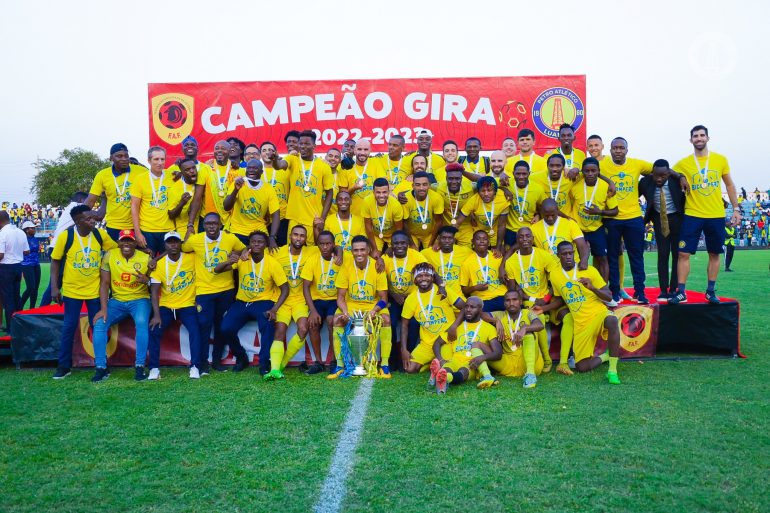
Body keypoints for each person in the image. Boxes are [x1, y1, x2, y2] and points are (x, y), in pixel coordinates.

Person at [670, 125, 741, 304]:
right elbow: (669, 171)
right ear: (691, 140)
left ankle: (710, 291)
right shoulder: (684, 163)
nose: (699, 138)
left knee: (714, 253)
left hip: (716, 214)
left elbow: (730, 185)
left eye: (702, 135)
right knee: (683, 253)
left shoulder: (720, 160)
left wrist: (736, 209)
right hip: (692, 214)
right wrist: (680, 177)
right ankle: (681, 292)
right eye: (696, 136)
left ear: (708, 138)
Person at [50, 205, 116, 379]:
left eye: (93, 217)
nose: (93, 220)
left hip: (95, 291)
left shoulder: (99, 234)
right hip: (72, 291)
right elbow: (55, 262)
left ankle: (102, 366)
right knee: (69, 328)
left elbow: (115, 250)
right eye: (88, 219)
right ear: (78, 221)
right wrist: (55, 287)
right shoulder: (67, 236)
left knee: (98, 328)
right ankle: (64, 366)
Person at [547, 241, 622, 384]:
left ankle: (613, 370)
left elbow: (609, 296)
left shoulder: (589, 270)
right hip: (581, 324)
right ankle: (605, 357)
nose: (568, 256)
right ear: (558, 256)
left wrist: (592, 288)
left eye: (570, 253)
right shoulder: (555, 275)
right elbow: (559, 298)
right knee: (582, 367)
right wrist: (543, 308)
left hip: (597, 314)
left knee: (612, 321)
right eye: (564, 254)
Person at [217, 231, 289, 377]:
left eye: (260, 242)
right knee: (225, 328)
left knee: (267, 324)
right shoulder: (243, 259)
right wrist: (229, 261)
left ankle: (264, 363)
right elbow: (217, 270)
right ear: (249, 244)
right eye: (253, 241)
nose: (256, 244)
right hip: (242, 302)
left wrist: (274, 309)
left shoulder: (272, 263)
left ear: (266, 245)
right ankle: (241, 357)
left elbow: (285, 289)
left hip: (263, 301)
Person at [182, 212, 246, 372]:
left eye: (214, 223)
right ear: (204, 226)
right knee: (204, 326)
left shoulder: (229, 238)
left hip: (226, 290)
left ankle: (217, 360)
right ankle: (203, 363)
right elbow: (183, 247)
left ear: (220, 225)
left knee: (221, 327)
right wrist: (189, 229)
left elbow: (244, 249)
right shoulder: (196, 240)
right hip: (204, 291)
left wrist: (236, 255)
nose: (211, 226)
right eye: (208, 223)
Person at [598, 137, 655, 304]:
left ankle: (640, 291)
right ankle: (615, 291)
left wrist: (679, 176)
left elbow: (659, 168)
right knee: (613, 257)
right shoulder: (603, 164)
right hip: (612, 218)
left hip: (634, 218)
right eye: (614, 148)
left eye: (621, 148)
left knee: (636, 256)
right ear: (609, 151)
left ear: (626, 150)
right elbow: (587, 170)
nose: (618, 150)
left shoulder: (637, 164)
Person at [91, 230, 151, 382]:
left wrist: (147, 279)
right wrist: (104, 308)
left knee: (142, 323)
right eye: (123, 240)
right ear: (118, 242)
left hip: (140, 299)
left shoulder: (145, 258)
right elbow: (104, 284)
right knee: (99, 323)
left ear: (135, 243)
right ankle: (101, 367)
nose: (126, 243)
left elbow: (155, 283)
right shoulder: (109, 255)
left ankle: (139, 366)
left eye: (130, 240)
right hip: (117, 301)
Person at [330, 235, 392, 378]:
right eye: (356, 250)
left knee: (386, 320)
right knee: (337, 320)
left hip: (372, 305)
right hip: (352, 306)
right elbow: (340, 297)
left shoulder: (377, 266)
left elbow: (384, 298)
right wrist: (345, 312)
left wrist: (374, 310)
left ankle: (384, 365)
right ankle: (340, 366)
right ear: (351, 251)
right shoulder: (346, 266)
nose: (359, 253)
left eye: (362, 250)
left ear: (369, 250)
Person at [502, 226, 557, 373]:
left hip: (545, 299)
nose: (525, 239)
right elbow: (513, 290)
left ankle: (545, 359)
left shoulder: (544, 255)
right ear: (517, 240)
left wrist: (545, 298)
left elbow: (556, 283)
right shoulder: (511, 262)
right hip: (526, 301)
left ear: (533, 239)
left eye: (528, 236)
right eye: (521, 237)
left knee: (538, 316)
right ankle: (545, 359)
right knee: (535, 317)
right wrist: (525, 299)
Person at [148, 231, 202, 380]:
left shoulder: (192, 258)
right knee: (154, 329)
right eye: (170, 242)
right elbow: (154, 292)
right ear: (165, 245)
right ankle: (154, 368)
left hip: (187, 304)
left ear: (180, 244)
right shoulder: (159, 265)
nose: (173, 245)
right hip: (167, 305)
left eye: (176, 242)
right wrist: (156, 315)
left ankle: (195, 366)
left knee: (195, 330)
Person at [400, 262, 465, 373]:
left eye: (427, 275)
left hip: (446, 340)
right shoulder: (411, 299)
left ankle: (435, 362)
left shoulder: (443, 291)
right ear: (415, 280)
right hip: (426, 344)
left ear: (432, 277)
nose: (423, 278)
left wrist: (454, 326)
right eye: (420, 276)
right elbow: (404, 325)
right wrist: (404, 349)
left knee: (448, 366)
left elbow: (465, 307)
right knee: (409, 368)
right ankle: (432, 363)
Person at [430, 296, 501, 392]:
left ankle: (445, 378)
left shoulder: (489, 328)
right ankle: (442, 375)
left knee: (463, 371)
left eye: (472, 307)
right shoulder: (455, 328)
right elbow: (437, 343)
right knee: (446, 368)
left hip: (472, 363)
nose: (468, 310)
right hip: (455, 359)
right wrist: (440, 359)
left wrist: (482, 357)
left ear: (480, 309)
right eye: (466, 306)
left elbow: (498, 353)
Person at [639, 160, 686, 300]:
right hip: (659, 220)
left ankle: (673, 289)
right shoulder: (645, 182)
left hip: (677, 219)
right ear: (652, 173)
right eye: (656, 175)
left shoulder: (676, 181)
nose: (659, 179)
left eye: (663, 176)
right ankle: (663, 290)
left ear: (669, 173)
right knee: (663, 255)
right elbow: (632, 197)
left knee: (677, 255)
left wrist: (680, 176)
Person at [302, 230, 345, 374]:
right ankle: (319, 362)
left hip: (335, 299)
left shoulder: (341, 259)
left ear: (333, 244)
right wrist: (312, 310)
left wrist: (341, 252)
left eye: (328, 244)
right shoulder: (312, 260)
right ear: (318, 245)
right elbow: (305, 286)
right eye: (321, 244)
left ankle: (334, 360)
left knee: (332, 320)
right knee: (312, 323)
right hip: (318, 300)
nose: (325, 247)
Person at [568, 157, 618, 281]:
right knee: (575, 259)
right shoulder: (575, 186)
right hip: (578, 229)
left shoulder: (606, 187)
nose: (590, 174)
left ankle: (603, 289)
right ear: (582, 172)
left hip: (596, 228)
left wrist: (599, 212)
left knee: (602, 259)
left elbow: (615, 211)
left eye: (593, 171)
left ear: (598, 171)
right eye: (587, 171)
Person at [86, 143, 148, 242]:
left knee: (139, 255)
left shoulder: (141, 171)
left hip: (138, 226)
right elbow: (89, 202)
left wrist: (178, 172)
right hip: (114, 226)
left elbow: (158, 176)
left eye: (126, 156)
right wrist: (79, 219)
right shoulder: (102, 175)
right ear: (111, 158)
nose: (124, 159)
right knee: (115, 255)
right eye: (119, 156)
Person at [273, 225, 314, 374]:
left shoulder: (311, 251)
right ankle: (274, 369)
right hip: (282, 300)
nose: (298, 238)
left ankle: (281, 365)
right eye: (296, 235)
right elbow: (257, 251)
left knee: (303, 329)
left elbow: (333, 247)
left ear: (306, 238)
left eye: (302, 236)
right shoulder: (277, 252)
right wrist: (245, 252)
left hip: (300, 300)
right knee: (279, 332)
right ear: (290, 235)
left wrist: (339, 253)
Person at [383, 231, 427, 368]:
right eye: (396, 243)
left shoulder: (417, 256)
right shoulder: (385, 258)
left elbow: (429, 273)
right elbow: (380, 281)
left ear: (408, 244)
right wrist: (393, 294)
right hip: (393, 299)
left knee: (414, 324)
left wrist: (442, 286)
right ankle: (392, 358)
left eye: (403, 243)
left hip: (412, 299)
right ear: (391, 245)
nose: (399, 246)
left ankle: (408, 357)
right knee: (390, 322)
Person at [285, 130, 334, 245]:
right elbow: (280, 165)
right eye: (300, 143)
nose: (303, 146)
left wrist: (322, 218)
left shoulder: (323, 167)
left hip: (313, 219)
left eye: (307, 144)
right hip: (294, 218)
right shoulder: (292, 159)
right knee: (292, 250)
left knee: (312, 252)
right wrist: (274, 160)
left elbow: (330, 193)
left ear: (314, 146)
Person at [40, 192, 88, 306]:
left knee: (62, 281)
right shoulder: (77, 207)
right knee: (55, 283)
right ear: (81, 200)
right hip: (59, 247)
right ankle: (42, 310)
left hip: (58, 246)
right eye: (87, 200)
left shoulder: (70, 208)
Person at [489, 289, 545, 388]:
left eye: (515, 299)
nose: (511, 303)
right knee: (480, 348)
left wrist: (525, 328)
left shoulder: (528, 312)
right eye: (508, 300)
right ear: (504, 303)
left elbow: (539, 325)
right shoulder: (500, 314)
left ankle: (530, 375)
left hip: (529, 362)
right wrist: (496, 321)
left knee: (528, 334)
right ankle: (485, 375)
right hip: (508, 363)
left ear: (520, 301)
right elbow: (481, 314)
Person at [222, 159, 281, 246]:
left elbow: (275, 214)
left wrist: (272, 237)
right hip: (238, 230)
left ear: (261, 172)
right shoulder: (237, 183)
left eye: (255, 168)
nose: (251, 170)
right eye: (249, 168)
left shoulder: (268, 189)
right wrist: (236, 190)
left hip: (259, 232)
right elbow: (226, 207)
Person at [130, 146, 175, 255]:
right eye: (156, 159)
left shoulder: (172, 176)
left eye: (162, 159)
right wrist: (137, 232)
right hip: (147, 230)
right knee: (148, 264)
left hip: (168, 229)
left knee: (166, 263)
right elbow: (134, 207)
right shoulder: (140, 179)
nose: (160, 162)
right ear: (149, 161)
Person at [165, 135, 212, 235]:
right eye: (186, 145)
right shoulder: (173, 168)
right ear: (182, 148)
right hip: (182, 219)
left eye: (192, 144)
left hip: (203, 214)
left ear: (197, 148)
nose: (189, 146)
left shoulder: (206, 168)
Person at [456, 176, 509, 253]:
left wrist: (498, 247)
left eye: (489, 190)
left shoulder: (503, 199)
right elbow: (458, 222)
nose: (486, 194)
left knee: (499, 254)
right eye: (482, 191)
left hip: (496, 234)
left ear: (495, 191)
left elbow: (502, 226)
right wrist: (442, 238)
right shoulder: (473, 200)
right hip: (479, 234)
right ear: (478, 192)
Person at [531, 198, 589, 266]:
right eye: (546, 216)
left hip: (570, 268)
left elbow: (581, 245)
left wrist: (584, 261)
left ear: (557, 211)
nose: (550, 218)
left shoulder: (570, 224)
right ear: (541, 213)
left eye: (553, 215)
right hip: (548, 268)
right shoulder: (534, 228)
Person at [460, 230, 506, 312]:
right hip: (482, 300)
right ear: (472, 241)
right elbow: (464, 289)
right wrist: (475, 288)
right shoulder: (467, 263)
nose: (481, 241)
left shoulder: (497, 256)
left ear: (488, 242)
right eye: (478, 239)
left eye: (484, 239)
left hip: (502, 295)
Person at [505, 160, 547, 247]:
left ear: (529, 173)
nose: (521, 177)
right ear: (513, 173)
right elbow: (489, 182)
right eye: (518, 174)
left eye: (524, 174)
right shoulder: (507, 183)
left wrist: (538, 214)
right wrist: (503, 188)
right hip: (510, 230)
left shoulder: (538, 189)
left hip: (529, 230)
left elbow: (543, 206)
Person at [421, 225, 472, 296]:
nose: (447, 241)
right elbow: (413, 257)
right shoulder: (428, 253)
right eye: (444, 238)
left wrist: (493, 251)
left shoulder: (465, 251)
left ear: (454, 240)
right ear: (438, 239)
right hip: (437, 294)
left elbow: (479, 255)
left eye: (450, 238)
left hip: (458, 295)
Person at [0, 210, 29, 331]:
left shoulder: (3, 233)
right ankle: (19, 325)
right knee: (16, 296)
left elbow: (0, 255)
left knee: (7, 298)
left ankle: (11, 327)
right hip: (18, 266)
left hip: (6, 267)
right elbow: (26, 251)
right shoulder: (20, 231)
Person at [399, 171, 444, 249]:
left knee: (430, 253)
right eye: (418, 185)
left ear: (429, 185)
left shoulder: (437, 198)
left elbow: (439, 221)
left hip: (429, 234)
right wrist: (412, 244)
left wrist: (431, 242)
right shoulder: (405, 199)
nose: (421, 188)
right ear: (412, 186)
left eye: (424, 184)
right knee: (413, 256)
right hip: (412, 234)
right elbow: (405, 223)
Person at [433, 164, 475, 247]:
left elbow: (486, 180)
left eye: (457, 178)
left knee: (466, 255)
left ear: (462, 178)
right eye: (451, 178)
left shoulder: (471, 187)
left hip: (465, 229)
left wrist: (463, 172)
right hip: (446, 229)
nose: (454, 182)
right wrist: (401, 194)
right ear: (446, 178)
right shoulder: (438, 187)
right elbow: (420, 188)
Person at [361, 177, 404, 256]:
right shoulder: (367, 201)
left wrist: (392, 247)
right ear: (373, 192)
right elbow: (368, 227)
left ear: (389, 192)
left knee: (393, 255)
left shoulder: (395, 205)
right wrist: (374, 249)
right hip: (376, 235)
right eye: (378, 192)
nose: (381, 195)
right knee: (374, 257)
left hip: (392, 235)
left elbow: (399, 229)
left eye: (384, 192)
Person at [261, 141, 291, 245]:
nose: (267, 152)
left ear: (276, 153)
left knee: (282, 249)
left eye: (270, 150)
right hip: (263, 219)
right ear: (260, 154)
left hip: (283, 217)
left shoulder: (285, 170)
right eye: (264, 150)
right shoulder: (256, 171)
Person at [343, 138, 381, 215]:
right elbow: (342, 196)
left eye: (366, 149)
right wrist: (354, 188)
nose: (362, 152)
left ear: (370, 151)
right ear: (354, 150)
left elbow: (383, 186)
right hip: (354, 216)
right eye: (359, 149)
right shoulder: (346, 167)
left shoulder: (376, 163)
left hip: (374, 215)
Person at [19, 221, 40, 310]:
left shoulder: (35, 239)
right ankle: (19, 307)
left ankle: (32, 309)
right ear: (27, 230)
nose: (34, 229)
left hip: (36, 265)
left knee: (35, 289)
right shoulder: (22, 239)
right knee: (31, 288)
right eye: (32, 228)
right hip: (27, 265)